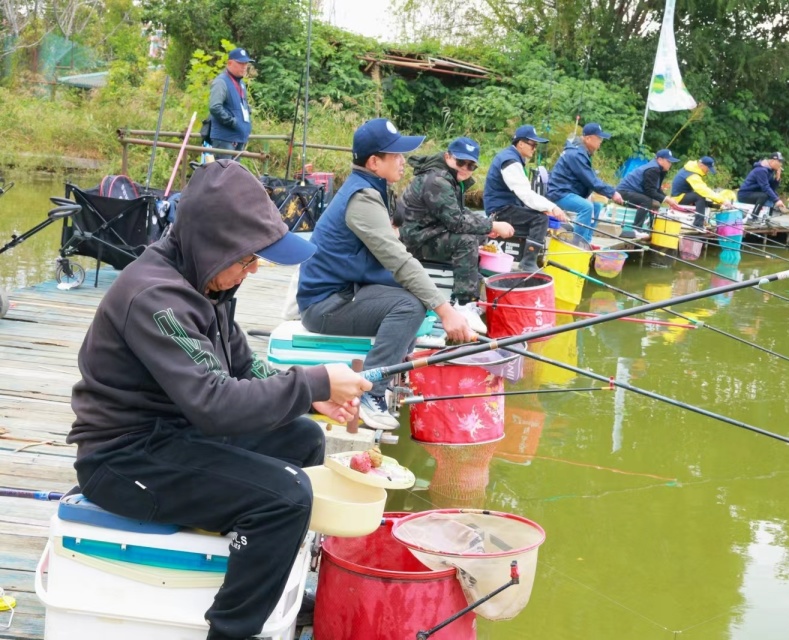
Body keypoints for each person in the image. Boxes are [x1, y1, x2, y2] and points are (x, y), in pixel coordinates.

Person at [67, 160, 372, 640]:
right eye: (247, 259)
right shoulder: (155, 297)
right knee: (287, 497)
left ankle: (262, 576)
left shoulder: (205, 282)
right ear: (214, 245)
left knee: (302, 439)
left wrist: (313, 400)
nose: (253, 270)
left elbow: (244, 367)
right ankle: (232, 630)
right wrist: (314, 383)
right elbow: (216, 404)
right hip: (124, 457)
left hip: (177, 435)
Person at [298, 118, 475, 431]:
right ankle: (372, 392)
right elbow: (401, 262)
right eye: (396, 155)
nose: (403, 160)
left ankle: (389, 376)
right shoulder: (363, 198)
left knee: (413, 297)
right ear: (374, 162)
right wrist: (445, 310)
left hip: (344, 293)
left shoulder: (369, 188)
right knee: (410, 305)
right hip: (325, 305)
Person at [396, 137, 514, 334]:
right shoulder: (437, 180)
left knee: (477, 235)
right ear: (447, 156)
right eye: (461, 162)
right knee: (466, 240)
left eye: (471, 165)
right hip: (415, 240)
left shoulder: (449, 178)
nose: (465, 168)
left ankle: (470, 292)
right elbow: (456, 222)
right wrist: (492, 224)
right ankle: (463, 303)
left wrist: (486, 228)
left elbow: (459, 212)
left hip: (430, 232)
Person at [483, 125, 568, 271]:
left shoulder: (513, 157)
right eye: (532, 144)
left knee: (541, 216)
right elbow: (525, 194)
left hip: (507, 207)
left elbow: (523, 195)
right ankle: (528, 263)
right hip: (500, 211)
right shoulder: (510, 162)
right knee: (541, 219)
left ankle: (530, 258)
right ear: (520, 143)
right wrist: (552, 207)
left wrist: (544, 208)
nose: (534, 149)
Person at [546, 122, 624, 244]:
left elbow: (588, 178)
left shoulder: (580, 152)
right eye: (599, 138)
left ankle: (586, 242)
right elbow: (591, 180)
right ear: (587, 138)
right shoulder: (576, 154)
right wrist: (612, 193)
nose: (601, 141)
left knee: (597, 206)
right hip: (559, 193)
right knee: (586, 207)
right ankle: (576, 243)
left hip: (568, 191)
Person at [616, 149, 681, 234]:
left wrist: (668, 198)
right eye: (668, 161)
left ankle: (650, 227)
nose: (670, 164)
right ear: (660, 160)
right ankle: (636, 229)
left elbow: (656, 189)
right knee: (647, 201)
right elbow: (650, 191)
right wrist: (667, 200)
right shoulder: (653, 169)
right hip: (623, 192)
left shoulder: (659, 169)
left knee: (655, 203)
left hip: (633, 192)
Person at [208, 47, 254, 160]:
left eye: (246, 64)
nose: (244, 67)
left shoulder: (241, 83)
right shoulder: (221, 82)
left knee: (232, 175)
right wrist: (232, 122)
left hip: (237, 138)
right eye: (240, 63)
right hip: (225, 139)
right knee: (224, 175)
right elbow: (215, 107)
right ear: (230, 63)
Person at [671, 156, 730, 229]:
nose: (708, 171)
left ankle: (721, 207)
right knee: (699, 196)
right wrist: (722, 200)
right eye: (708, 168)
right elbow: (703, 190)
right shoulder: (692, 175)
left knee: (706, 199)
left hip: (684, 195)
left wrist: (720, 202)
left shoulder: (692, 169)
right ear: (701, 165)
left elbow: (703, 190)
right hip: (677, 199)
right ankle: (698, 225)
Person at [737, 151, 788, 222]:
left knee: (773, 195)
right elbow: (765, 187)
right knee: (764, 196)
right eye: (779, 162)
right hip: (744, 195)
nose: (781, 164)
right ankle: (753, 217)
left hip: (755, 193)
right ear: (773, 161)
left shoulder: (770, 171)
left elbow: (772, 188)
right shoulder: (761, 170)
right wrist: (776, 200)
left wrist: (777, 178)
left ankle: (768, 218)